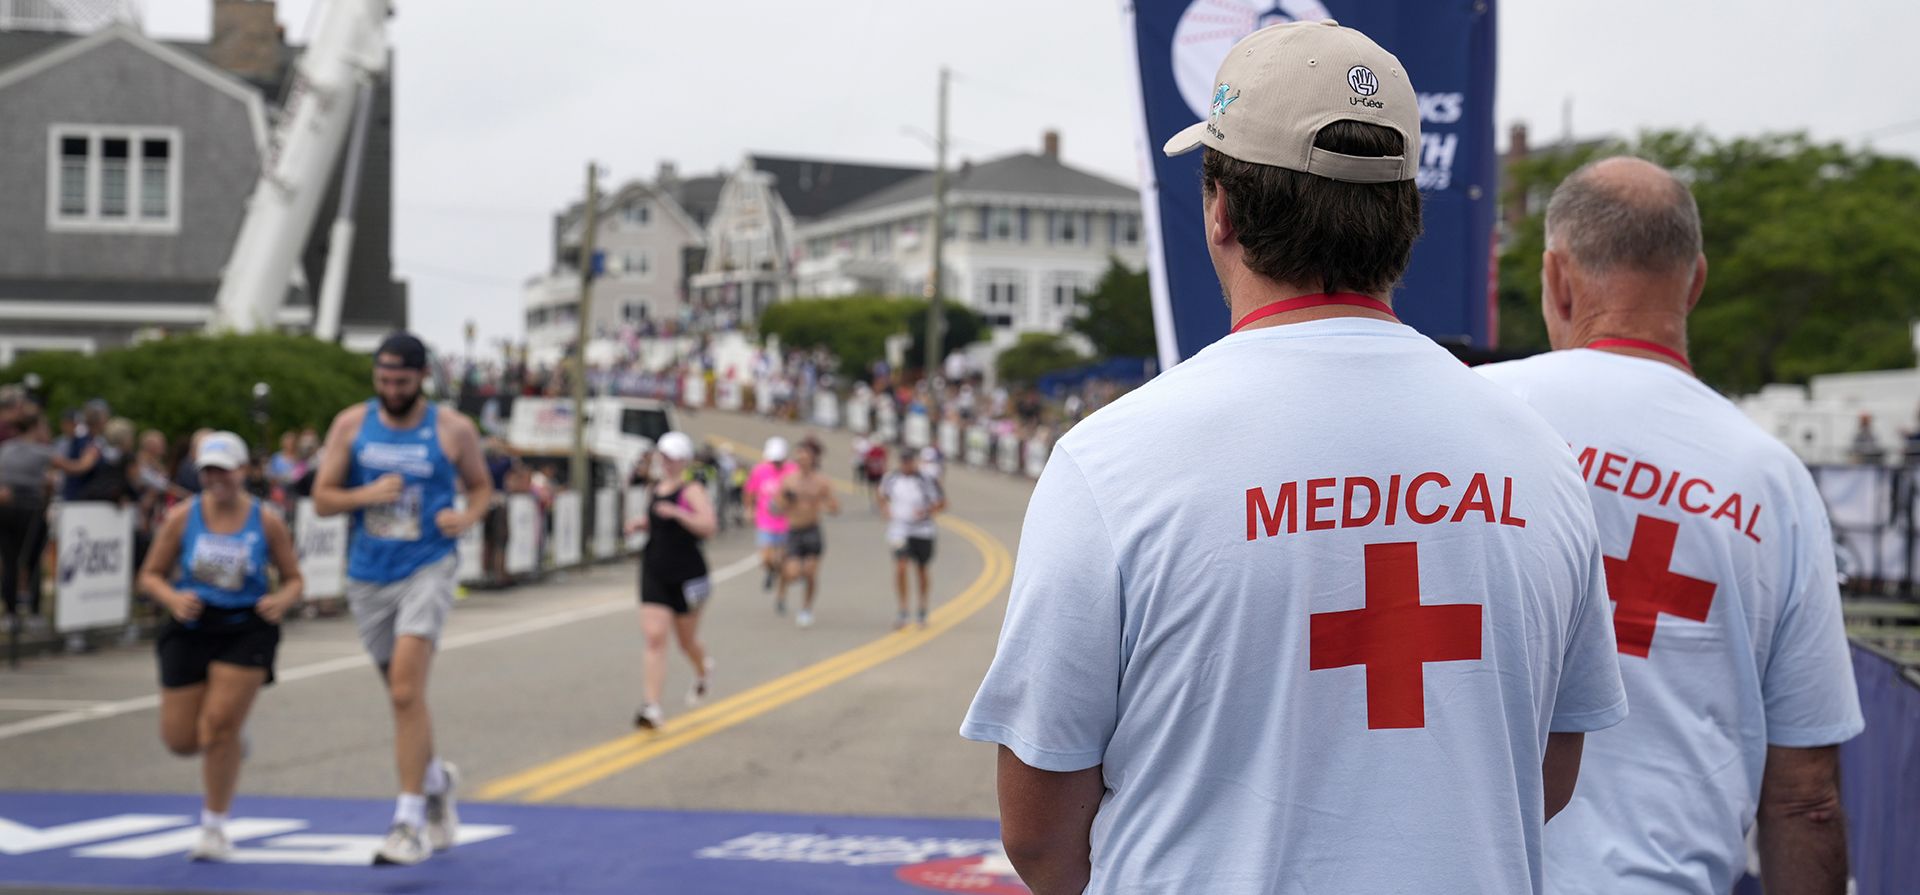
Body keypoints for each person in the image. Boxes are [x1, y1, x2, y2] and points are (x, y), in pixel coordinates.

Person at [960, 22, 1627, 895]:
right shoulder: (1538, 456)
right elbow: (1546, 773)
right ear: (1407, 216)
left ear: (1221, 210)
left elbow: (1041, 833)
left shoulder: (1112, 462)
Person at [1478, 157, 1865, 895]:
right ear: (1695, 282)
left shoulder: (1473, 411)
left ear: (1556, 277)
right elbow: (1805, 797)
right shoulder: (1772, 478)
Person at [311, 333, 494, 866]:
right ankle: (436, 781)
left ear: (421, 379)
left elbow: (481, 487)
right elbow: (322, 498)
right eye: (383, 380)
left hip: (428, 566)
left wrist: (467, 516)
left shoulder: (451, 429)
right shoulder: (351, 424)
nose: (392, 389)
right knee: (401, 695)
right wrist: (363, 495)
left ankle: (408, 821)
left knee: (405, 691)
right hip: (369, 574)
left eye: (402, 381)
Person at [135, 431, 303, 862]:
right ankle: (229, 741)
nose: (216, 478)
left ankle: (214, 826)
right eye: (209, 470)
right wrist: (173, 597)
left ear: (243, 472)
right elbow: (149, 574)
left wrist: (280, 600)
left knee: (219, 726)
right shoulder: (182, 517)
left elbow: (294, 578)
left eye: (224, 470)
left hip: (245, 626)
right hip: (192, 625)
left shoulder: (266, 520)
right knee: (181, 739)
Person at [624, 432, 717, 729]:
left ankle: (703, 669)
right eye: (664, 457)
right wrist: (642, 523)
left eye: (673, 458)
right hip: (655, 569)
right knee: (654, 637)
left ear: (684, 461)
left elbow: (708, 526)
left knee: (685, 641)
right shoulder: (655, 489)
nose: (667, 463)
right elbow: (657, 521)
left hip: (687, 573)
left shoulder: (691, 491)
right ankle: (652, 706)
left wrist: (679, 514)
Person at [777, 437, 840, 628]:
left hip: (812, 530)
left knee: (811, 573)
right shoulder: (789, 481)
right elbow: (777, 506)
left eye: (806, 457)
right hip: (794, 531)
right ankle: (782, 586)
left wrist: (825, 505)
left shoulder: (821, 482)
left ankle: (806, 608)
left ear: (813, 459)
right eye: (799, 457)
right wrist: (786, 500)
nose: (802, 461)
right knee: (793, 572)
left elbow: (834, 506)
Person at [879, 447, 945, 629]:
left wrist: (926, 511)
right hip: (899, 530)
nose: (906, 465)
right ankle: (903, 609)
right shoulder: (891, 478)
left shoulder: (927, 480)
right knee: (901, 567)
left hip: (922, 530)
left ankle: (922, 607)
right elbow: (882, 496)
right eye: (903, 461)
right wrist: (885, 509)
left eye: (909, 461)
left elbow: (942, 502)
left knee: (921, 570)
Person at [0, 409, 54, 622]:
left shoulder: (5, 449)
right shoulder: (41, 452)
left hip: (8, 510)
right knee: (31, 563)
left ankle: (11, 612)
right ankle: (33, 613)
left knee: (10, 562)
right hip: (30, 511)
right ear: (36, 428)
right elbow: (73, 468)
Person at [744, 437, 793, 603]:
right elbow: (750, 492)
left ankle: (781, 593)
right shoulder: (760, 471)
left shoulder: (793, 470)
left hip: (788, 522)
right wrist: (749, 509)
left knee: (783, 560)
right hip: (765, 521)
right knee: (766, 559)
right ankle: (771, 571)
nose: (776, 463)